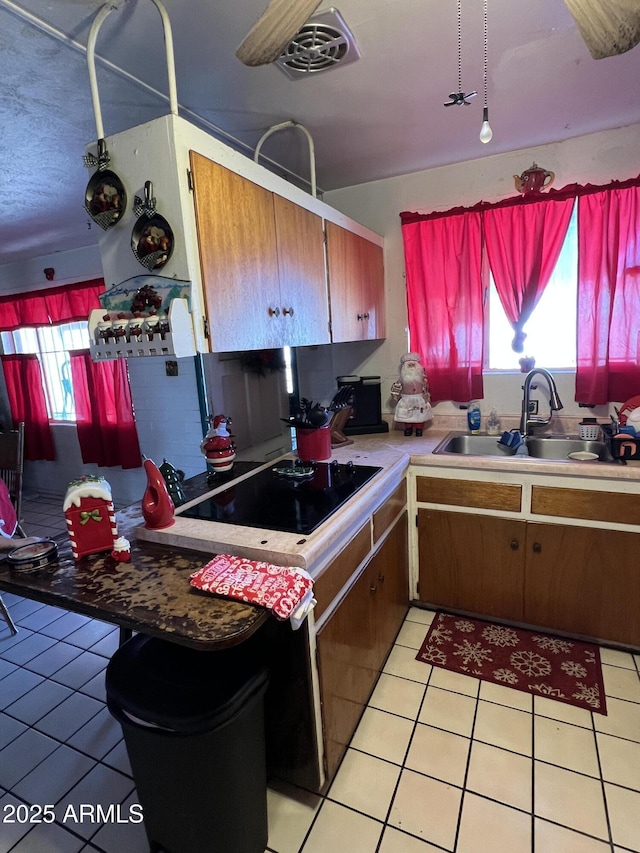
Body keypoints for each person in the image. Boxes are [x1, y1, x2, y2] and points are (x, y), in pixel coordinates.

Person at [390, 352, 433, 436]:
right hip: (406, 399)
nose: (411, 367)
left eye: (413, 365)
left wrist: (426, 394)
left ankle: (419, 430)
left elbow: (425, 387)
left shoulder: (422, 378)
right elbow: (397, 386)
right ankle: (408, 429)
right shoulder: (402, 379)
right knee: (407, 415)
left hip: (419, 398)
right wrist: (395, 394)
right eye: (409, 365)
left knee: (420, 414)